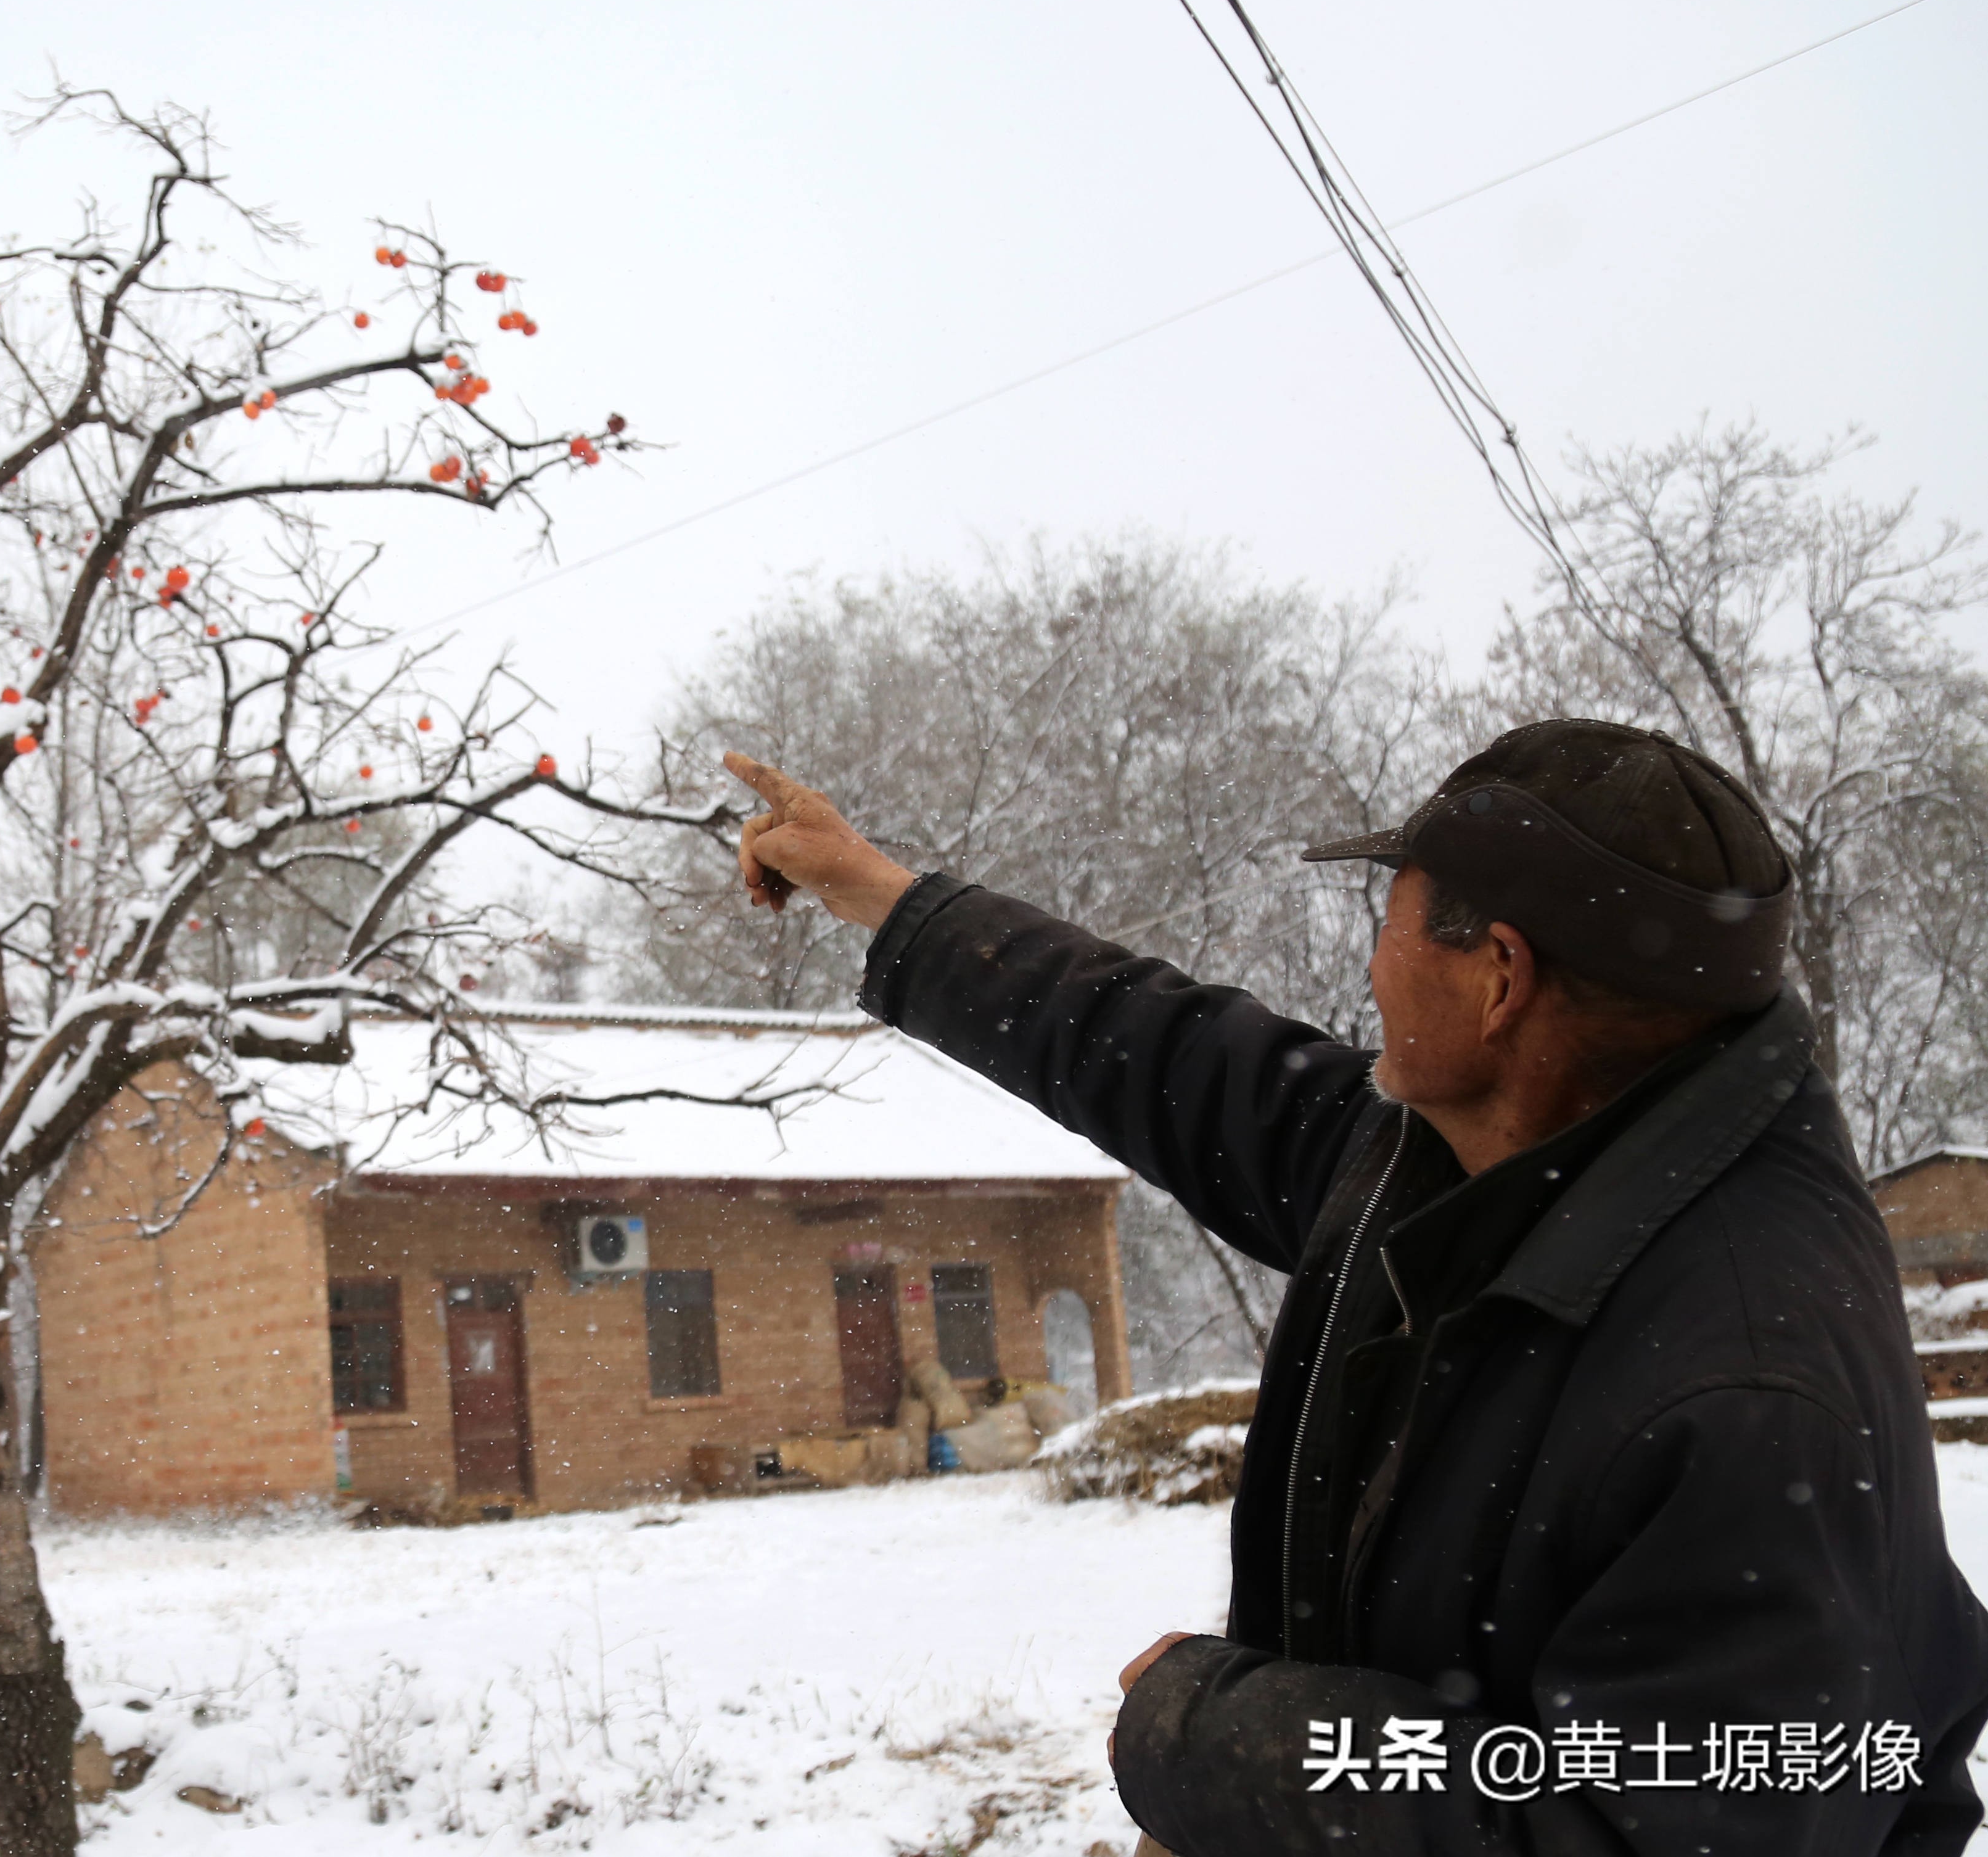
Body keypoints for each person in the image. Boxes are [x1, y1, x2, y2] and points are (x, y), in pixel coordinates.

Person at [726, 720, 1988, 1855]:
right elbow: (1167, 1055)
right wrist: (890, 902)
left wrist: (1221, 1745)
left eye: (1391, 917)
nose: (1373, 967)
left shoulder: (1749, 1383)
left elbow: (1655, 1831)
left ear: (1497, 978)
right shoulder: (1480, 1150)